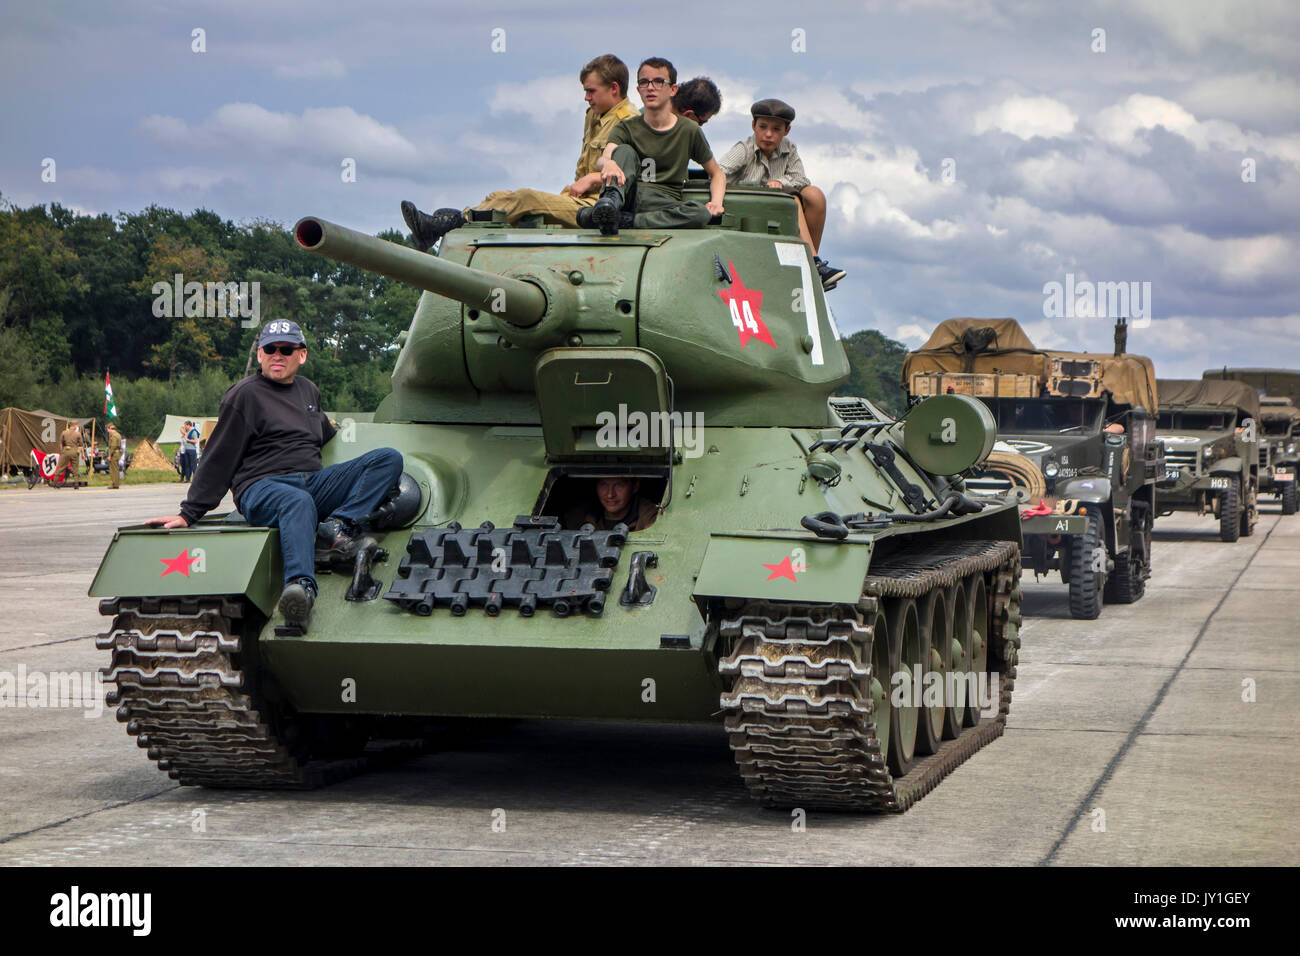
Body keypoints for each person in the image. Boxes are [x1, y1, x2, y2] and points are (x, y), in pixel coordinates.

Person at [146, 320, 404, 632]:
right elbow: (220, 455)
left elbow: (322, 433)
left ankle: (336, 526)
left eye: (286, 349)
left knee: (387, 459)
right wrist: (189, 513)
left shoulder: (309, 391)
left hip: (310, 480)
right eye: (270, 349)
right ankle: (301, 589)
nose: (277, 355)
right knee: (297, 502)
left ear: (302, 355)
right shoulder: (244, 395)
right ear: (259, 355)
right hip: (261, 486)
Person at [400, 54, 640, 249]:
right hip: (576, 199)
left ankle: (449, 224)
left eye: (591, 91)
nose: (586, 97)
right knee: (499, 196)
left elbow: (629, 171)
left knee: (526, 199)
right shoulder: (595, 115)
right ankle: (440, 229)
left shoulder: (629, 121)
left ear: (614, 89)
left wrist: (594, 177)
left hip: (597, 208)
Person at [577, 57, 726, 235]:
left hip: (661, 202)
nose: (650, 87)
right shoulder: (626, 127)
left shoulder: (689, 130)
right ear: (638, 89)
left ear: (673, 89)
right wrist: (609, 163)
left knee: (700, 213)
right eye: (644, 82)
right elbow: (605, 156)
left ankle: (625, 221)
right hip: (628, 195)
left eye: (658, 81)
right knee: (623, 150)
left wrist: (716, 201)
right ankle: (611, 203)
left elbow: (716, 173)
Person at [717, 98, 845, 290]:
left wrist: (780, 183)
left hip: (779, 214)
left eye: (776, 129)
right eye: (763, 127)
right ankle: (814, 264)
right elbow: (718, 173)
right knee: (793, 199)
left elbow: (801, 179)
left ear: (786, 131)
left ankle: (811, 260)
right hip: (747, 214)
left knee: (814, 195)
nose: (768, 134)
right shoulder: (743, 150)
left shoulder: (789, 150)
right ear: (753, 126)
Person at [564, 477, 658, 532]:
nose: (610, 494)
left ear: (635, 486)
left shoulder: (652, 519)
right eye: (603, 485)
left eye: (619, 485)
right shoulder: (578, 518)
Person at [59, 422, 84, 489]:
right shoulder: (78, 434)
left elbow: (61, 443)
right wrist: (82, 454)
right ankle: (76, 484)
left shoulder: (64, 432)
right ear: (74, 426)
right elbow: (81, 444)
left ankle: (55, 482)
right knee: (75, 469)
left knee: (61, 467)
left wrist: (62, 452)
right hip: (74, 451)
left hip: (65, 451)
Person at [106, 422, 125, 489]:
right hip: (117, 453)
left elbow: (113, 446)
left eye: (107, 429)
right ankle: (116, 484)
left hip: (114, 454)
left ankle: (115, 484)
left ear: (110, 428)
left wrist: (109, 455)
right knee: (116, 469)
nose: (107, 431)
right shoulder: (118, 435)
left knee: (113, 469)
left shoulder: (114, 436)